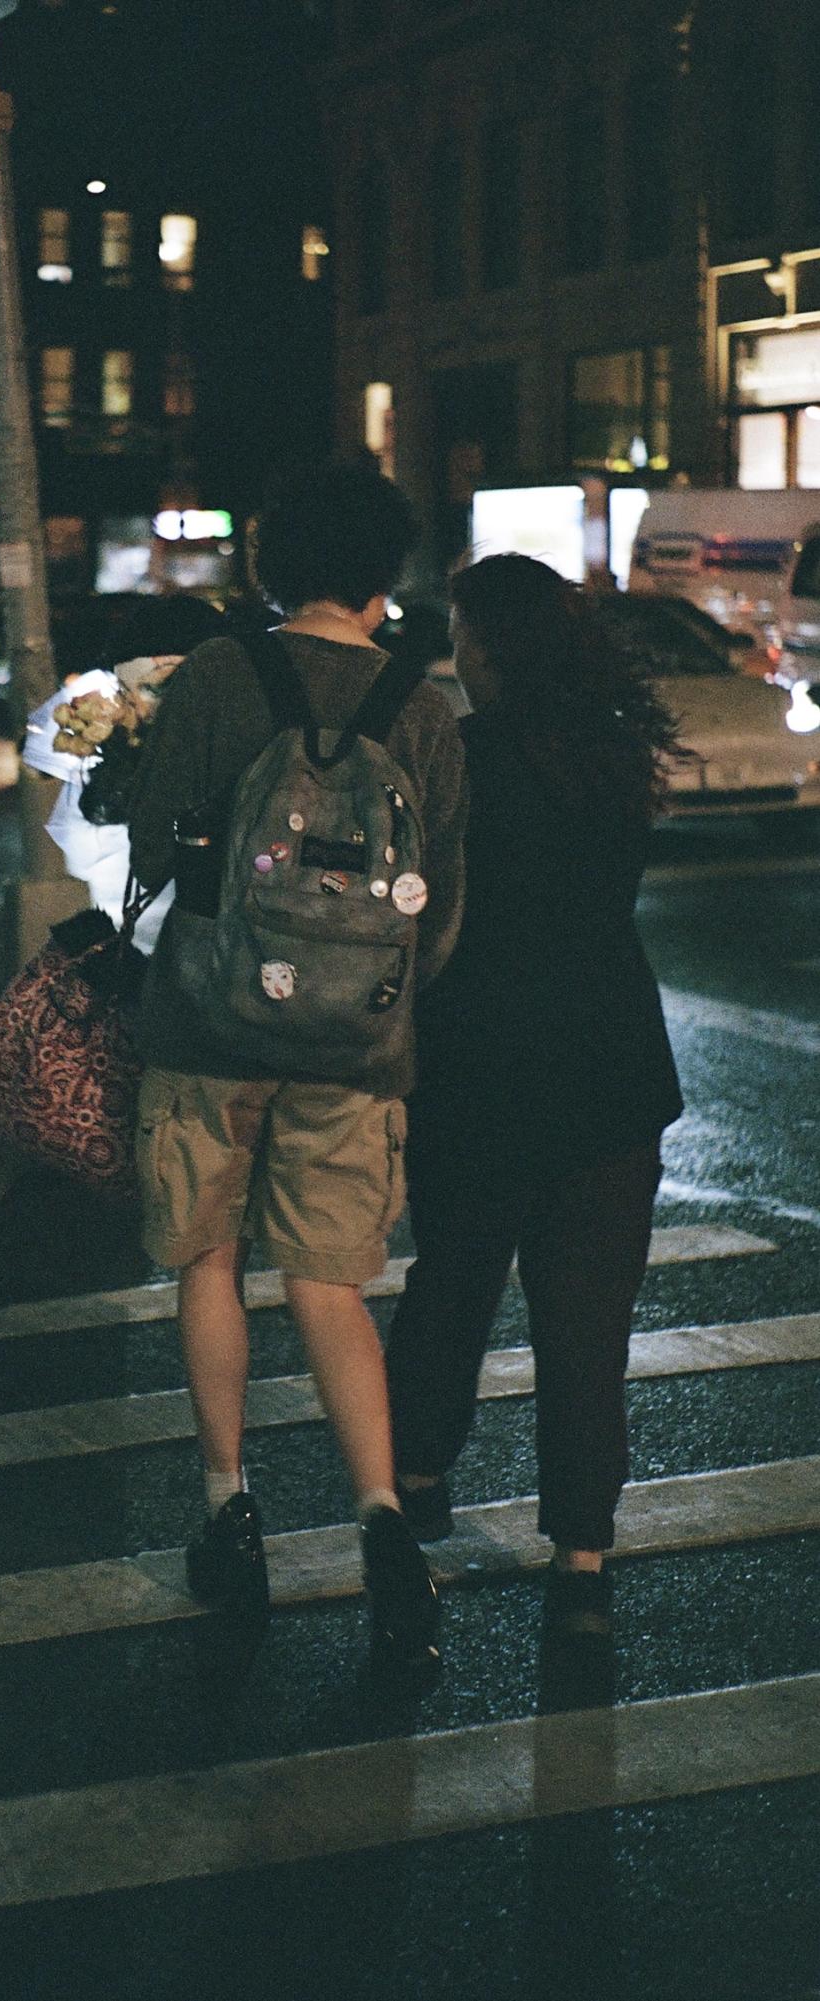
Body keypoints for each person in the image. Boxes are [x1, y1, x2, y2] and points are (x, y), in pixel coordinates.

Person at [127, 459, 467, 1684]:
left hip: (210, 1029)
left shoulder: (221, 676)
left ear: (277, 564)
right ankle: (382, 1525)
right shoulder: (421, 708)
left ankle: (230, 1509)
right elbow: (445, 911)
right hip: (358, 1046)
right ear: (386, 574)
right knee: (331, 1285)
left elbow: (155, 838)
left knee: (210, 1257)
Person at [384, 552, 685, 1633]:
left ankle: (416, 1482)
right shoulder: (615, 752)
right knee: (587, 1326)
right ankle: (585, 1559)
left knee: (451, 1287)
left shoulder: (460, 761)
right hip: (612, 1070)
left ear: (488, 643)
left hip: (481, 1070)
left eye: (461, 631)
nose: (453, 650)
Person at [21, 596, 228, 954]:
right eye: (135, 691)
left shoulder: (224, 750)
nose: (142, 706)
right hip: (133, 940)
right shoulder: (112, 737)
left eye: (160, 688)